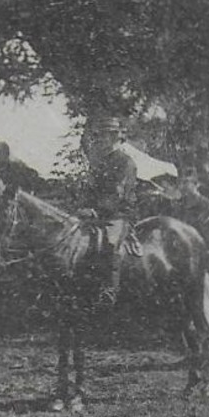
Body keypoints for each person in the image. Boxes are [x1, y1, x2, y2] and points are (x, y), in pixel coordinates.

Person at [77, 116, 138, 306]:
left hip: (118, 214)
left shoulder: (125, 162)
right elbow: (90, 189)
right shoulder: (98, 162)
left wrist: (96, 209)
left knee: (111, 243)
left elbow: (118, 193)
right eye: (100, 136)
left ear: (114, 137)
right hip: (96, 214)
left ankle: (109, 290)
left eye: (105, 136)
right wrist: (83, 206)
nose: (101, 139)